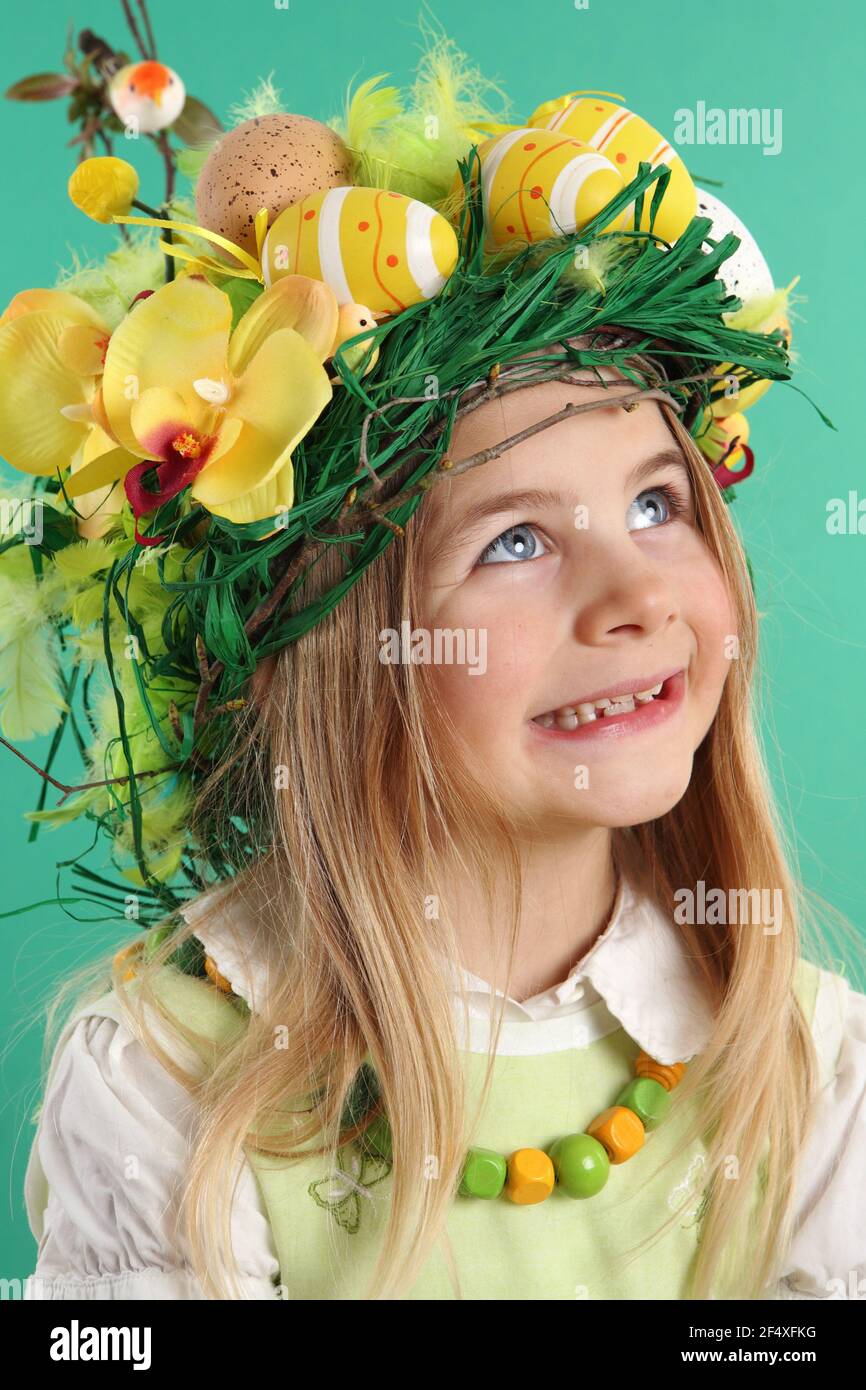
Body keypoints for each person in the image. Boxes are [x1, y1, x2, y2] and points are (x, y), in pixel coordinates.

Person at [6, 33, 862, 1302]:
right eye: (513, 540)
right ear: (328, 641)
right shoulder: (171, 1080)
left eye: (655, 504)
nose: (632, 598)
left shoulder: (806, 1060)